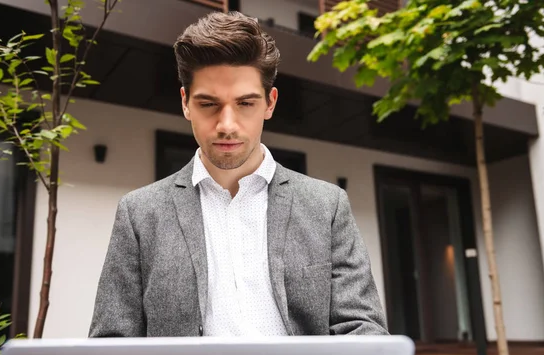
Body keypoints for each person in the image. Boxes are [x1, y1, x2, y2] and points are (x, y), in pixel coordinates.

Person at [89, 11, 388, 337]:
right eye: (208, 104)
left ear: (269, 103)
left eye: (245, 103)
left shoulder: (327, 205)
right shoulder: (139, 213)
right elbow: (112, 344)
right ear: (186, 103)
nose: (227, 125)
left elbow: (362, 333)